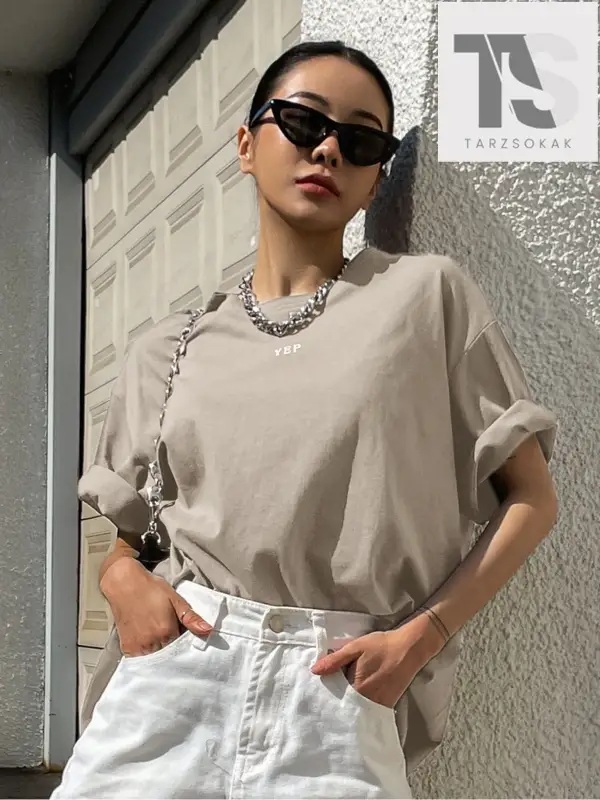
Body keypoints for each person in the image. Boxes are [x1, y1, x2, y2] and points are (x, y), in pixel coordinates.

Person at [52, 39, 558, 800]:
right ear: (247, 144)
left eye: (361, 140)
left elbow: (532, 498)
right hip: (176, 675)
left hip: (337, 690)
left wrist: (424, 636)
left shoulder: (425, 299)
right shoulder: (170, 347)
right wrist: (120, 579)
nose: (328, 149)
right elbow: (132, 532)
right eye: (302, 121)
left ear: (377, 176)